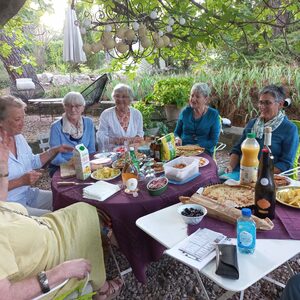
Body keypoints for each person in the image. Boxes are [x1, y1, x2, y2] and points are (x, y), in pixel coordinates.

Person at [0, 127, 123, 300]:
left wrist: (3, 167)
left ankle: (114, 240)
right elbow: (6, 295)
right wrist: (59, 272)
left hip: (47, 231)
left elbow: (2, 200)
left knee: (86, 208)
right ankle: (102, 288)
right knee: (88, 225)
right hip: (51, 257)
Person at [0, 95, 73, 216]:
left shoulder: (18, 137)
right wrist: (20, 181)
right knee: (54, 217)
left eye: (24, 118)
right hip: (9, 206)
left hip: (28, 194)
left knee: (66, 202)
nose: (22, 124)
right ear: (1, 122)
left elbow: (33, 161)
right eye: (17, 119)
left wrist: (54, 150)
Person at [227, 85, 298, 174]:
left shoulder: (289, 129)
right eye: (261, 102)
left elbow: (286, 163)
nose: (262, 106)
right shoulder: (253, 123)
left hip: (267, 175)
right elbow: (237, 150)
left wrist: (259, 173)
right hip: (240, 170)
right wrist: (230, 167)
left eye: (268, 103)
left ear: (280, 104)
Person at [49, 91, 96, 176]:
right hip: (62, 166)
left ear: (83, 108)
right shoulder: (56, 127)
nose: (73, 109)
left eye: (77, 106)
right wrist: (71, 165)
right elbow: (55, 156)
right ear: (64, 107)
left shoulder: (89, 123)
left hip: (85, 165)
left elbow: (91, 150)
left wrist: (86, 164)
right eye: (69, 106)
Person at [174, 82, 221, 156]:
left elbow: (213, 141)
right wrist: (177, 138)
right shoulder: (185, 112)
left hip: (203, 152)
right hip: (183, 151)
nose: (193, 99)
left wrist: (195, 147)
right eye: (192, 95)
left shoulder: (213, 115)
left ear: (206, 99)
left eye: (197, 96)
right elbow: (176, 132)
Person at [96, 83, 144, 151]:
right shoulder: (106, 114)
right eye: (117, 96)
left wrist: (132, 140)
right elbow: (100, 136)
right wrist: (115, 140)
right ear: (113, 97)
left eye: (124, 96)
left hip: (132, 153)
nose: (120, 99)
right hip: (112, 154)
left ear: (130, 99)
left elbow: (140, 133)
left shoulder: (137, 114)